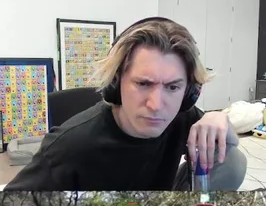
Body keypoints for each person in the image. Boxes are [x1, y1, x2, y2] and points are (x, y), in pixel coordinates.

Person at [6, 17, 245, 192]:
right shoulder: (69, 146)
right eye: (143, 83)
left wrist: (219, 119)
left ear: (189, 92)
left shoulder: (182, 116)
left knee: (232, 160)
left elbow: (229, 146)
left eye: (172, 87)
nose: (156, 105)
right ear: (116, 82)